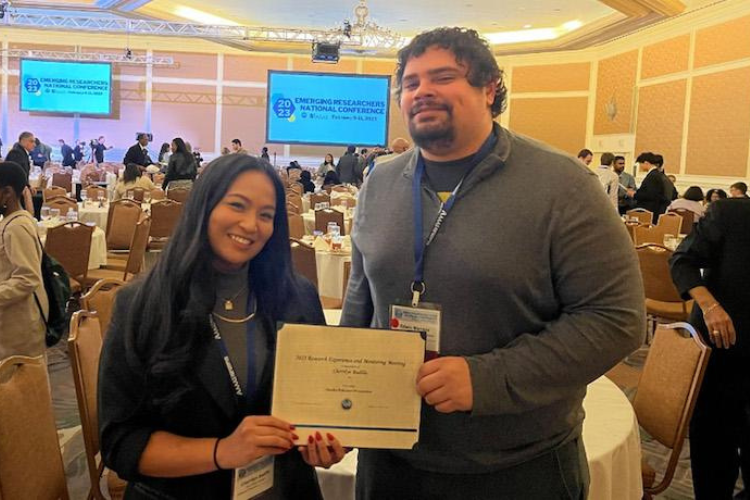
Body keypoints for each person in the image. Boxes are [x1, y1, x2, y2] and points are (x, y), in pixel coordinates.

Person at [340, 27, 644, 499]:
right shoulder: (379, 182)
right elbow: (363, 297)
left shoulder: (563, 185)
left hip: (517, 466)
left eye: (442, 77)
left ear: (490, 88)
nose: (422, 91)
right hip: (390, 461)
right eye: (411, 82)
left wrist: (487, 379)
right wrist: (338, 399)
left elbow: (616, 320)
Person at [99, 154, 345, 499]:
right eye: (237, 206)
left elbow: (321, 406)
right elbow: (120, 442)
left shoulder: (298, 297)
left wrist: (325, 442)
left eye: (265, 215)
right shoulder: (144, 304)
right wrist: (221, 451)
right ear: (204, 207)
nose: (250, 224)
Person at [670, 197, 750, 500]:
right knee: (715, 452)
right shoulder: (731, 213)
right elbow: (682, 260)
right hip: (721, 351)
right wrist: (710, 306)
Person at [0, 161, 48, 360]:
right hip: (14, 319)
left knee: (20, 385)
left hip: (19, 326)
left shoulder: (16, 227)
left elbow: (27, 278)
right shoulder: (17, 220)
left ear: (7, 193)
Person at [635, 151, 670, 222]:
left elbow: (650, 195)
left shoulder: (652, 176)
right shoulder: (658, 174)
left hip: (649, 210)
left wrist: (635, 194)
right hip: (656, 209)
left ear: (646, 163)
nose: (640, 166)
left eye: (640, 164)